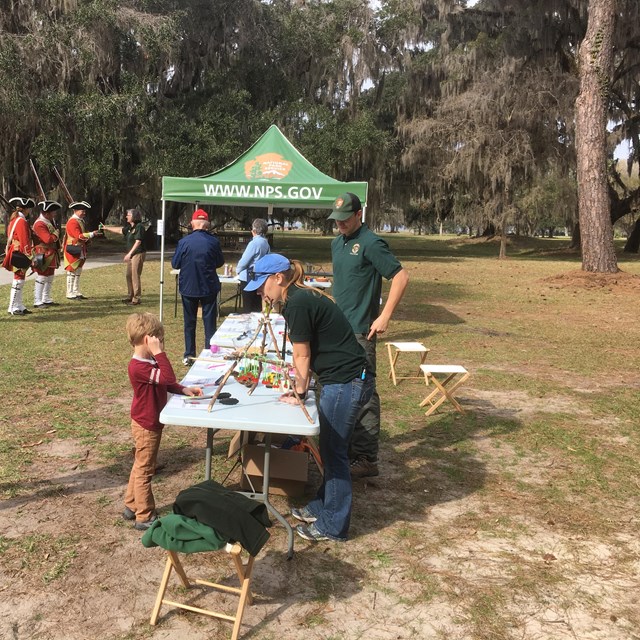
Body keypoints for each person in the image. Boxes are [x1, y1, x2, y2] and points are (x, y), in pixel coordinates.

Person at [245, 253, 373, 542]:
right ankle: (323, 505)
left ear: (278, 279)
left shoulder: (298, 303)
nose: (258, 292)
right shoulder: (297, 298)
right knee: (330, 450)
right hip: (339, 378)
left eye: (261, 285)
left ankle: (334, 525)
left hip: (346, 381)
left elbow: (302, 355)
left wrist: (300, 392)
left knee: (334, 454)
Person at [328, 192, 409, 479]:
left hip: (362, 330)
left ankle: (366, 458)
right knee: (340, 390)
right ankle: (347, 447)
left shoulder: (372, 243)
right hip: (338, 330)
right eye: (337, 221)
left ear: (359, 214)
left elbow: (400, 276)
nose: (341, 225)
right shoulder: (337, 243)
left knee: (363, 392)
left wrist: (385, 315)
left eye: (346, 219)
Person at [123, 312, 202, 530]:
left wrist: (183, 389)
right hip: (146, 424)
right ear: (148, 339)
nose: (161, 343)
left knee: (140, 465)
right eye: (158, 339)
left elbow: (166, 384)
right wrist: (160, 353)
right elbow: (166, 377)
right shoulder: (139, 366)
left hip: (148, 421)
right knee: (145, 470)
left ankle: (131, 504)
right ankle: (144, 515)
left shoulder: (147, 362)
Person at [171, 209, 225, 365]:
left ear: (192, 223)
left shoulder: (184, 242)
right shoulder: (213, 242)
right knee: (209, 323)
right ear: (207, 225)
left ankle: (189, 354)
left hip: (189, 287)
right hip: (208, 286)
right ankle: (210, 352)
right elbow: (219, 262)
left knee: (189, 322)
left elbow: (175, 263)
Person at [63, 200, 102, 300]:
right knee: (71, 271)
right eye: (82, 211)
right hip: (73, 248)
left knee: (78, 271)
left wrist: (90, 236)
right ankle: (69, 292)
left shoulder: (80, 221)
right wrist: (92, 234)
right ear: (76, 211)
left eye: (85, 211)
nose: (84, 213)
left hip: (80, 248)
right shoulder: (72, 222)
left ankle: (76, 291)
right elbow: (78, 236)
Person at [3, 197, 35, 316]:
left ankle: (19, 305)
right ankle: (12, 307)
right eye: (29, 209)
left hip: (17, 251)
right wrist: (30, 256)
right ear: (25, 209)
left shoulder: (15, 220)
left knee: (20, 279)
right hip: (20, 253)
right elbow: (24, 240)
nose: (29, 211)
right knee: (18, 280)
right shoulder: (21, 221)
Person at [236, 218, 270, 312]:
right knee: (257, 306)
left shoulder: (254, 243)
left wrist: (238, 270)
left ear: (254, 230)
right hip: (259, 276)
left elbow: (244, 261)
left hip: (248, 277)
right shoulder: (265, 242)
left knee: (248, 307)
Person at [32, 200, 62, 308]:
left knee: (50, 276)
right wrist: (56, 234)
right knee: (42, 276)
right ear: (46, 213)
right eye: (53, 212)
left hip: (50, 252)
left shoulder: (48, 222)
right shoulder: (40, 223)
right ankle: (37, 300)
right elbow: (48, 239)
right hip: (43, 252)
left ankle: (46, 298)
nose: (54, 214)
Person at [121, 208, 147, 305]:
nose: (126, 216)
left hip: (138, 254)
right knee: (129, 275)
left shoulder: (139, 227)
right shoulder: (130, 227)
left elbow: (138, 241)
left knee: (135, 275)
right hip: (131, 255)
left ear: (134, 216)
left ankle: (136, 298)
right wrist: (105, 228)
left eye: (128, 215)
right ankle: (130, 295)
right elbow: (120, 231)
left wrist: (130, 254)